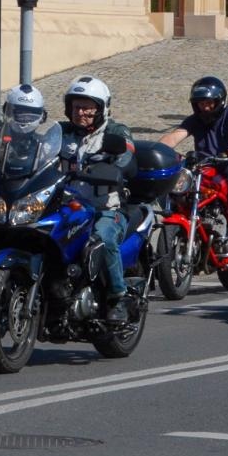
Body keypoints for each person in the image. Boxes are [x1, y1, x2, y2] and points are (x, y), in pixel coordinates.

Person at [58, 76, 137, 323]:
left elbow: (126, 154)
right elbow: (40, 151)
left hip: (106, 206)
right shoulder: (62, 131)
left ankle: (118, 296)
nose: (80, 112)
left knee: (103, 239)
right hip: (68, 205)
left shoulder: (114, 132)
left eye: (87, 107)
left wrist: (112, 168)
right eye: (76, 107)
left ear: (101, 108)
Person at [158, 75, 228, 262]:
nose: (205, 107)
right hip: (206, 171)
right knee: (167, 184)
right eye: (200, 103)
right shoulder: (193, 121)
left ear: (219, 101)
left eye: (209, 103)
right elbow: (175, 136)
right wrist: (156, 152)